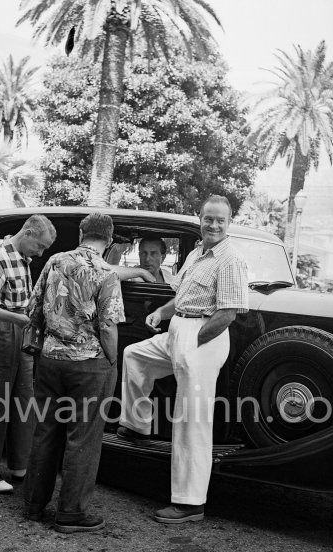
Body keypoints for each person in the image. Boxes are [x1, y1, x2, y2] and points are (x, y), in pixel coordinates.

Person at [117, 195, 249, 523]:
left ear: (229, 222)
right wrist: (161, 313)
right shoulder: (195, 253)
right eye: (208, 219)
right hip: (179, 330)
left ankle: (189, 503)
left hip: (204, 335)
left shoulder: (230, 259)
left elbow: (227, 313)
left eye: (220, 220)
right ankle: (137, 424)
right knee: (135, 356)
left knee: (191, 420)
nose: (214, 225)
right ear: (200, 218)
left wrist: (195, 343)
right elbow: (181, 297)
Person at [24, 213, 125, 533]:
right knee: (83, 438)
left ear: (81, 233)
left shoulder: (54, 261)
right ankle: (70, 513)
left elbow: (34, 310)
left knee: (45, 431)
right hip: (88, 365)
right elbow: (108, 325)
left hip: (51, 359)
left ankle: (33, 504)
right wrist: (112, 360)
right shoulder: (107, 273)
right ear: (108, 240)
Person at [0, 215, 56, 494]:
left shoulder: (22, 258)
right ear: (28, 233)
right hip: (0, 330)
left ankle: (20, 465)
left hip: (19, 329)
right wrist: (16, 319)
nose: (41, 253)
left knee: (24, 397)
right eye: (40, 246)